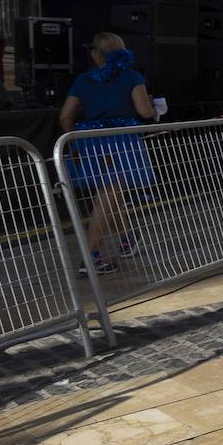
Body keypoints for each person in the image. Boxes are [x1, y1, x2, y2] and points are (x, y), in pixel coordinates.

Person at [59, 32, 156, 275]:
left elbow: (65, 117)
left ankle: (127, 239)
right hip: (121, 142)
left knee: (108, 196)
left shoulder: (83, 80)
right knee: (107, 199)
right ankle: (91, 258)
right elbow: (145, 113)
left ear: (96, 54)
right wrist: (154, 104)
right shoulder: (132, 77)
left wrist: (74, 142)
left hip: (89, 143)